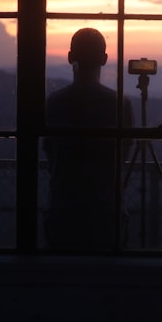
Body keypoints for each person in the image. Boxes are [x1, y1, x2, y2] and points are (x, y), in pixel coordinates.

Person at [43, 28, 134, 250]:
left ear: (70, 57)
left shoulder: (54, 103)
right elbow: (122, 157)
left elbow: (49, 151)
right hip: (105, 211)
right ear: (104, 59)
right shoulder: (119, 104)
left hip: (63, 208)